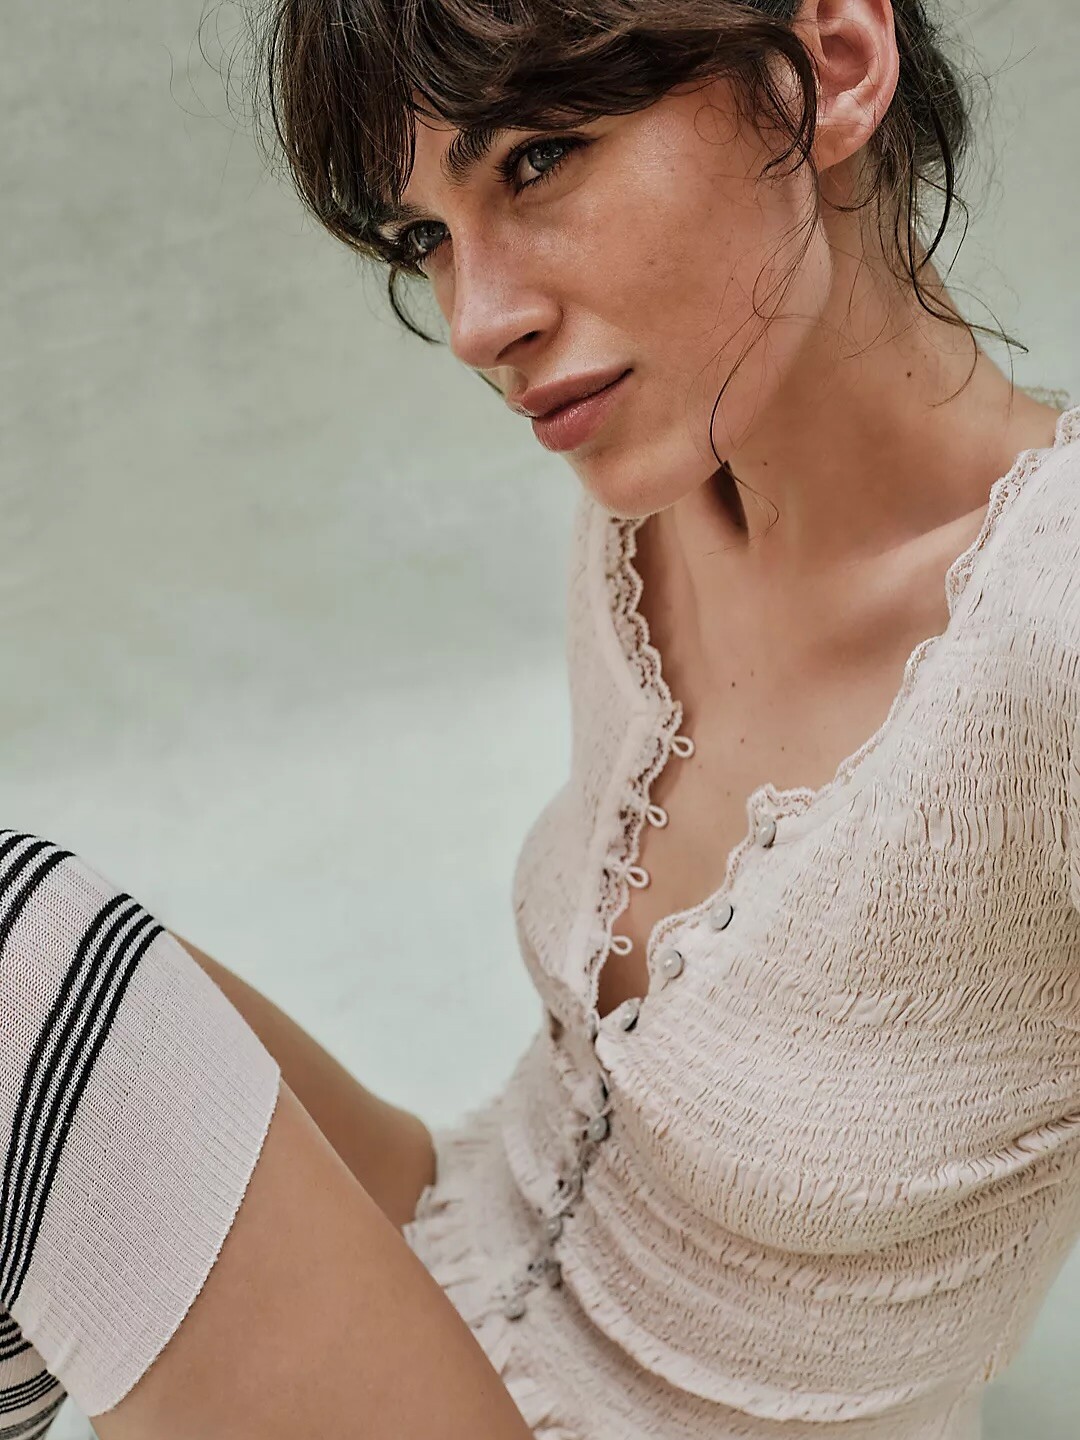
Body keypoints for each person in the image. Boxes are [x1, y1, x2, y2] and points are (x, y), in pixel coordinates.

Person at [3, 0, 1078, 1437]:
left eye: (537, 158)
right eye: (424, 235)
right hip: (449, 1253)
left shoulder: (1048, 639)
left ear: (833, 64)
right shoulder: (652, 493)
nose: (476, 322)